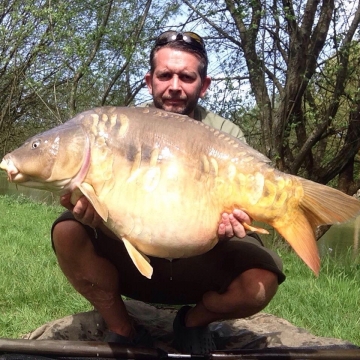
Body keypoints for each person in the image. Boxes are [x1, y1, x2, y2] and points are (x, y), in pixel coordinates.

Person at [51, 30, 285, 354]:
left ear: (203, 85)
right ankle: (124, 328)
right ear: (150, 81)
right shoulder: (121, 127)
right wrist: (96, 218)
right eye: (165, 75)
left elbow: (239, 212)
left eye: (186, 77)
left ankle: (192, 323)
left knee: (261, 281)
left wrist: (235, 227)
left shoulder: (226, 135)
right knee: (66, 230)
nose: (174, 86)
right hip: (135, 258)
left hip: (197, 258)